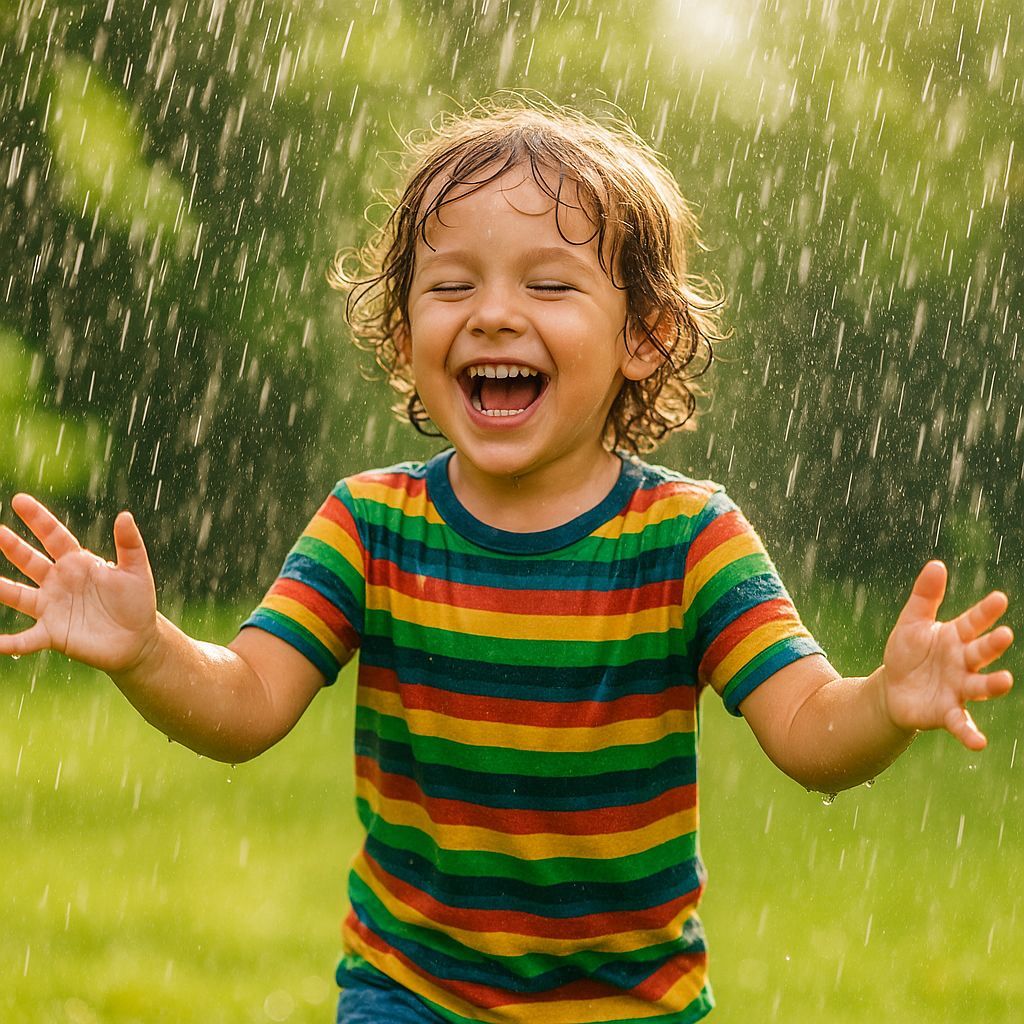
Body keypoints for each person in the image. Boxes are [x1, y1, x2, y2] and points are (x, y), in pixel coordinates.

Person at [0, 101, 1014, 1024]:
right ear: (406, 331)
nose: (491, 312)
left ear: (645, 335)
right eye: (451, 285)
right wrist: (148, 648)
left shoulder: (687, 540)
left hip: (629, 1005)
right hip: (409, 992)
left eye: (548, 283)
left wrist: (885, 701)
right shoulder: (370, 526)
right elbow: (246, 705)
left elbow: (807, 732)